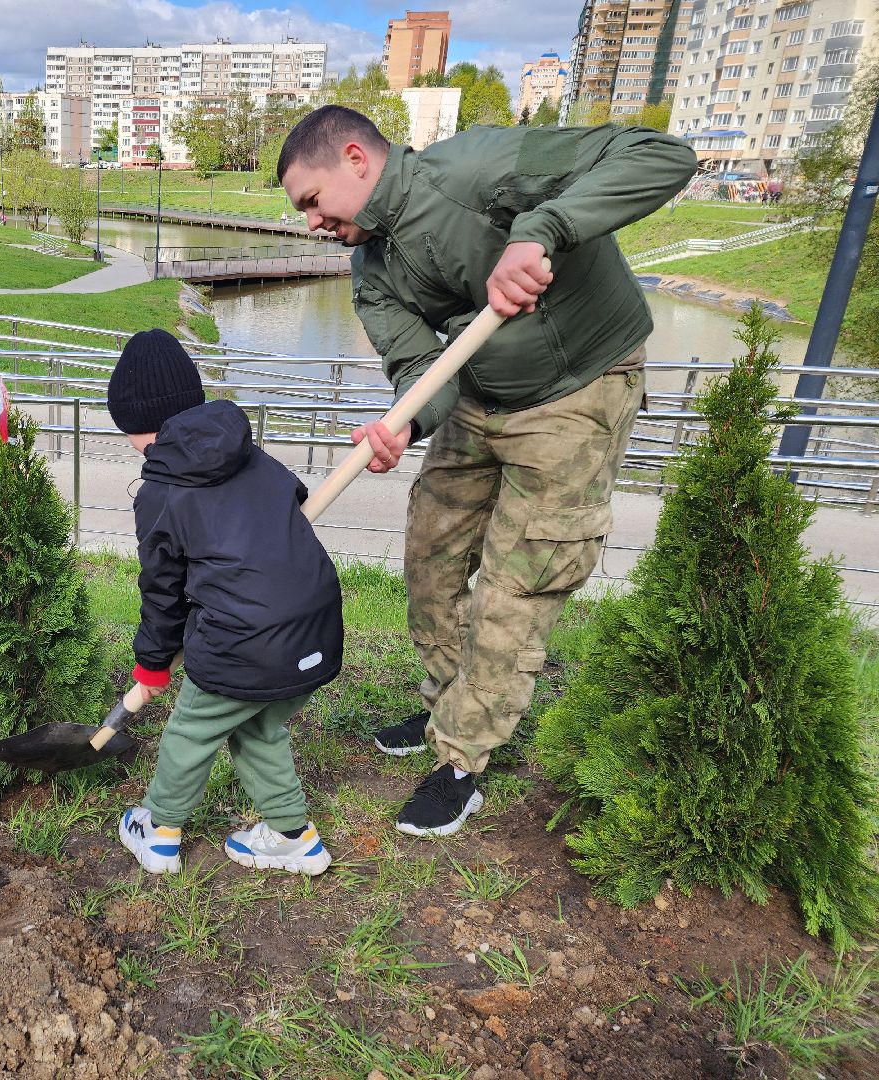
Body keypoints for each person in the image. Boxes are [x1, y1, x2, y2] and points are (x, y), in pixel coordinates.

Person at [278, 105, 697, 837]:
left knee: (517, 583)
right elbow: (423, 370)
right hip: (480, 401)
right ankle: (450, 702)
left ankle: (462, 762)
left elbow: (662, 156)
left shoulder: (478, 169)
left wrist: (541, 230)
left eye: (311, 201)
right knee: (431, 555)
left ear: (355, 159)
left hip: (579, 392)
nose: (311, 222)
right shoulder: (371, 272)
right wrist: (406, 419)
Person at [107, 329, 343, 876]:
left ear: (140, 429)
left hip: (246, 639)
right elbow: (295, 495)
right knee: (255, 724)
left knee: (192, 730)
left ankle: (159, 830)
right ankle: (293, 837)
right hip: (316, 624)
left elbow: (163, 593)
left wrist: (152, 666)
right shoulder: (250, 454)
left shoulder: (161, 491)